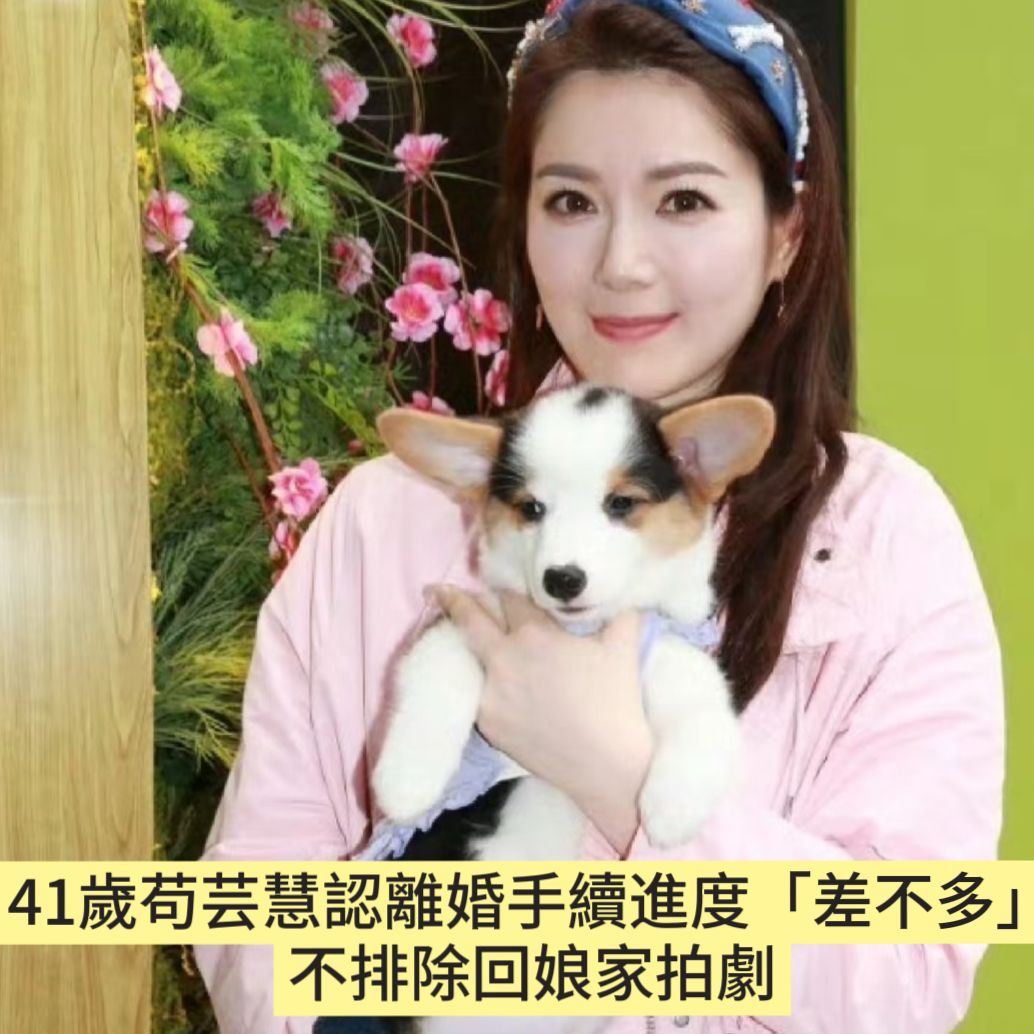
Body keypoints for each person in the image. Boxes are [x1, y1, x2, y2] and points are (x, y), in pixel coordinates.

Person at [194, 1, 1005, 1032]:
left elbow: (906, 976)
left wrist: (618, 773)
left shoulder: (882, 532)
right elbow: (252, 914)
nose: (621, 261)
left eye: (683, 201)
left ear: (785, 234)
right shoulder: (387, 518)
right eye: (571, 201)